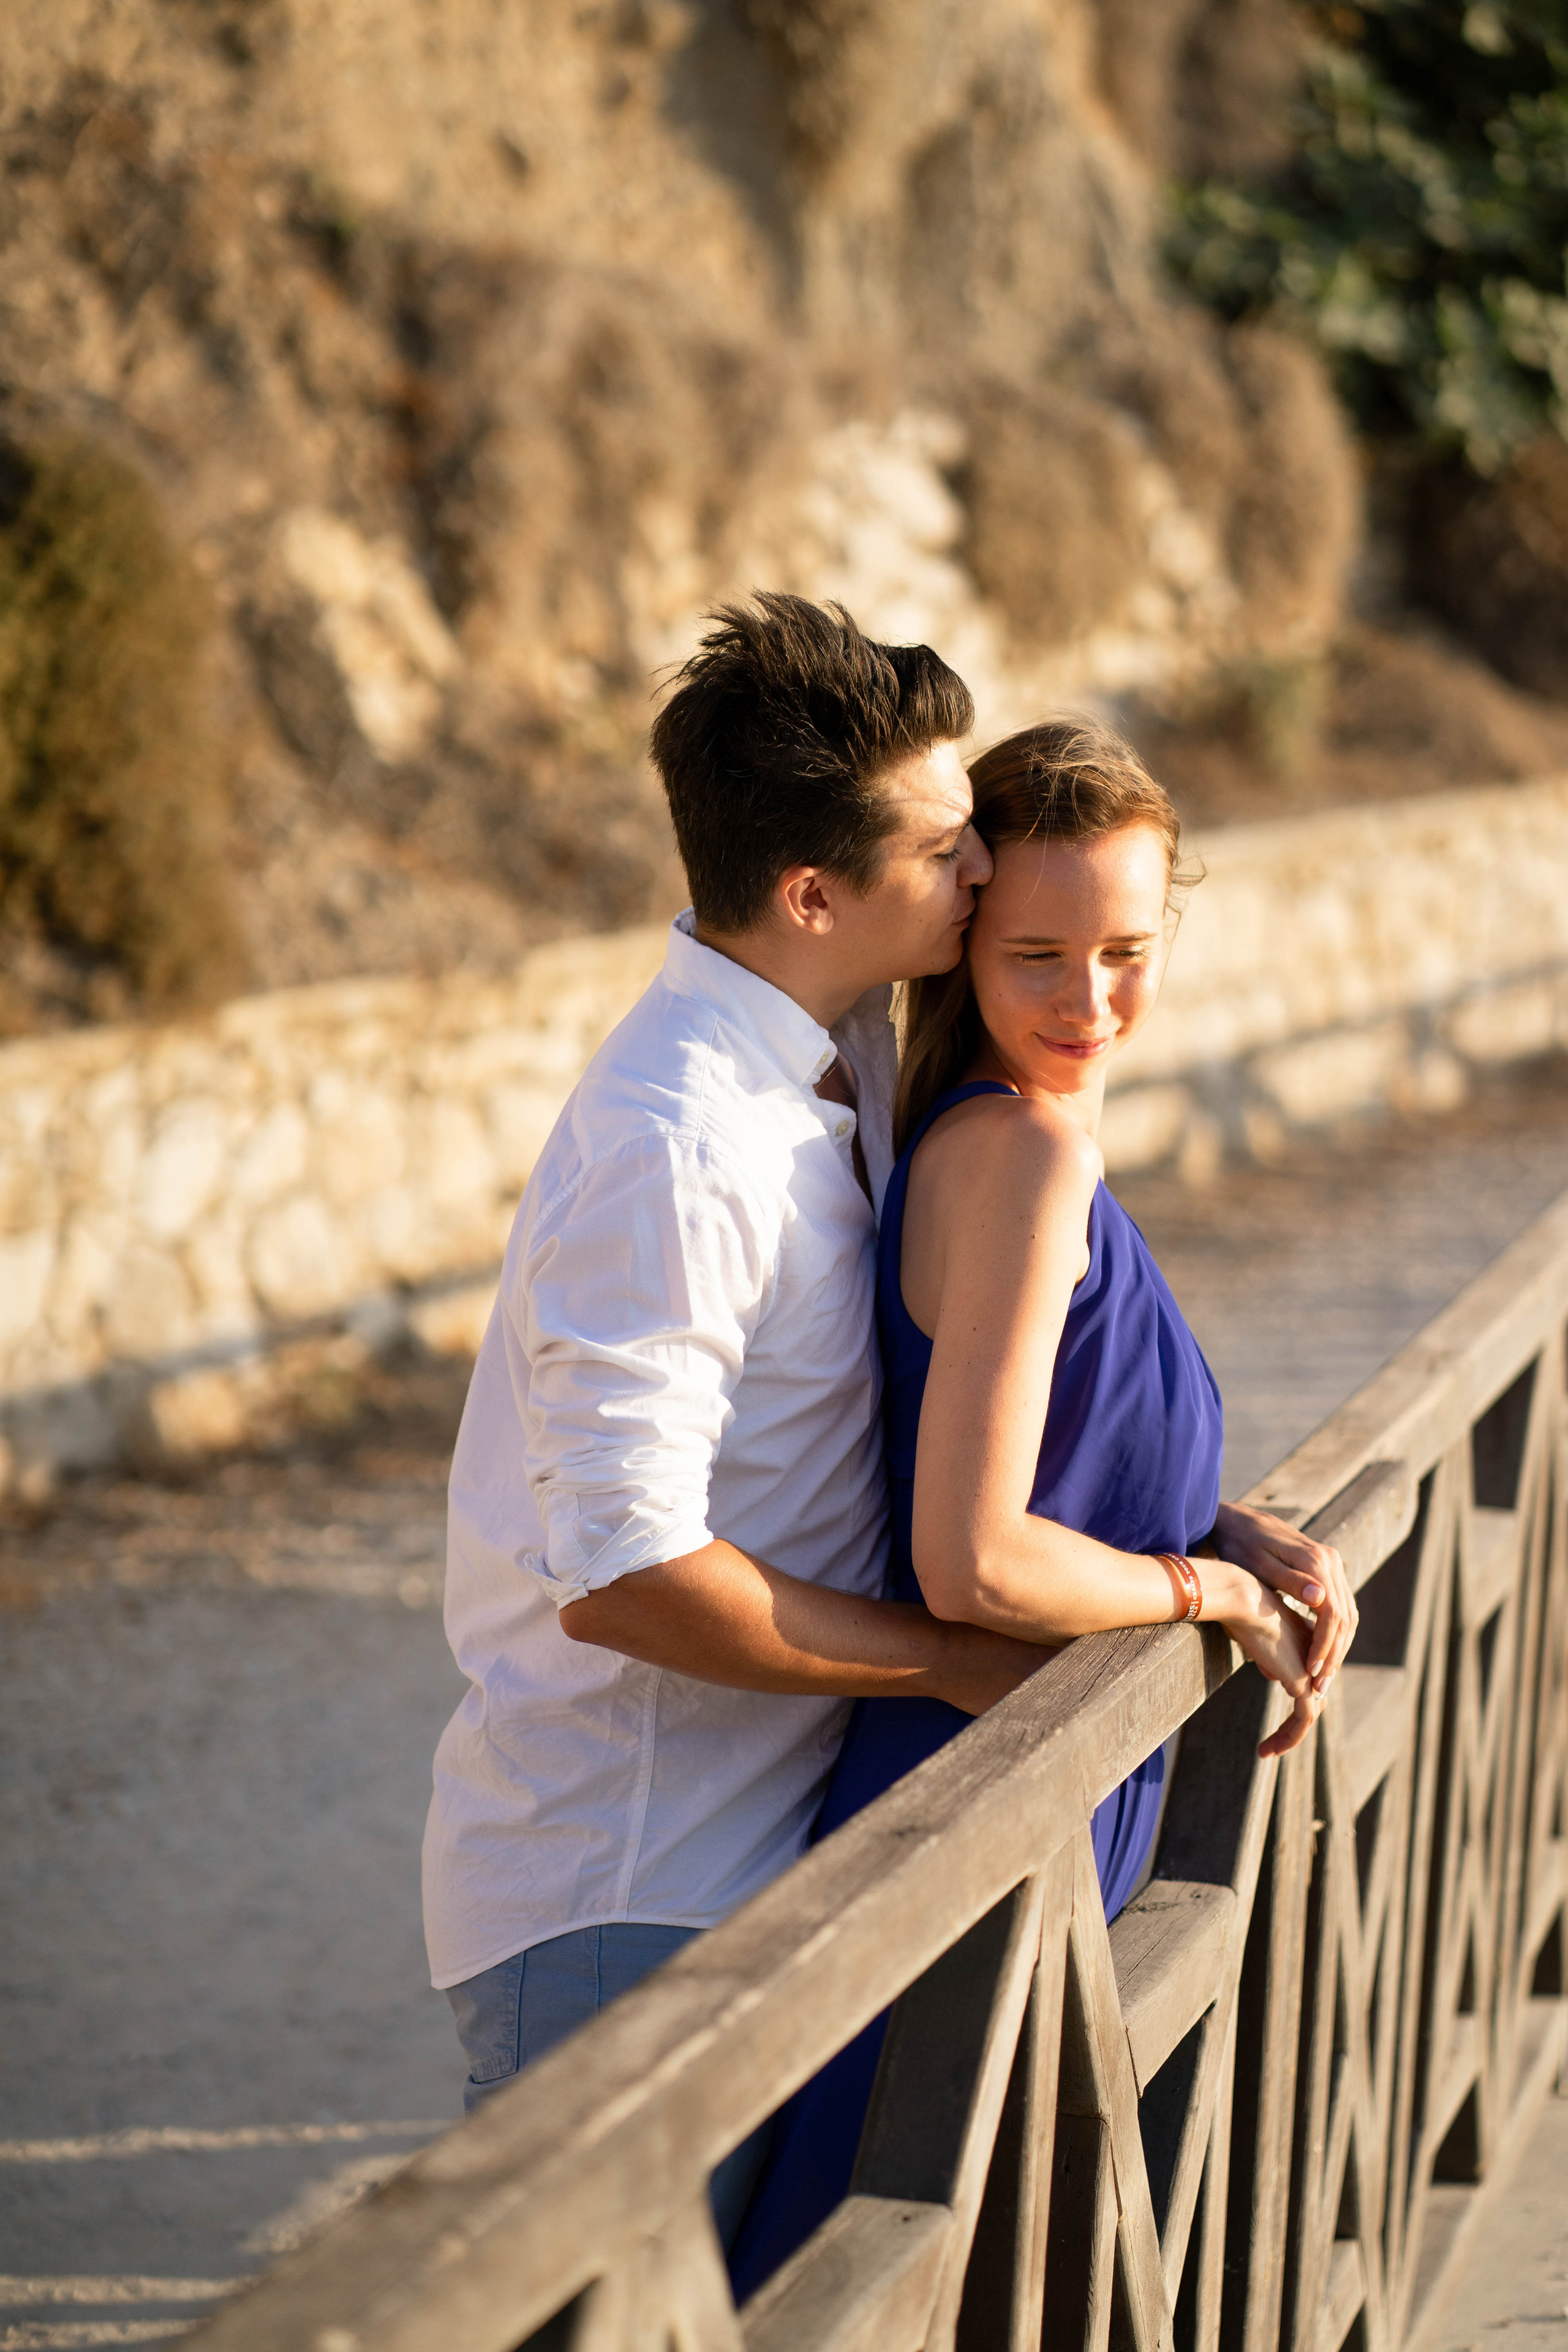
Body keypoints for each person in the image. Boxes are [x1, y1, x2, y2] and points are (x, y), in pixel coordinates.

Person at [420, 595, 1054, 2242]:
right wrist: (941, 1655)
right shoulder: (677, 1144)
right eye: (947, 847)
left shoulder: (833, 1036)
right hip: (625, 1901)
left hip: (760, 1861)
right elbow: (621, 1575)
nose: (985, 869)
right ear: (811, 893)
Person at [726, 717, 1358, 2293]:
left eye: (1125, 951)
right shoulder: (1012, 1158)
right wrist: (1207, 1596)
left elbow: (1051, 1452)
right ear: (959, 950)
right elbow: (974, 1557)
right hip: (977, 1813)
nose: (1088, 1000)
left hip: (1019, 1800)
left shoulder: (1012, 1142)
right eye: (1036, 956)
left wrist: (1214, 1526)